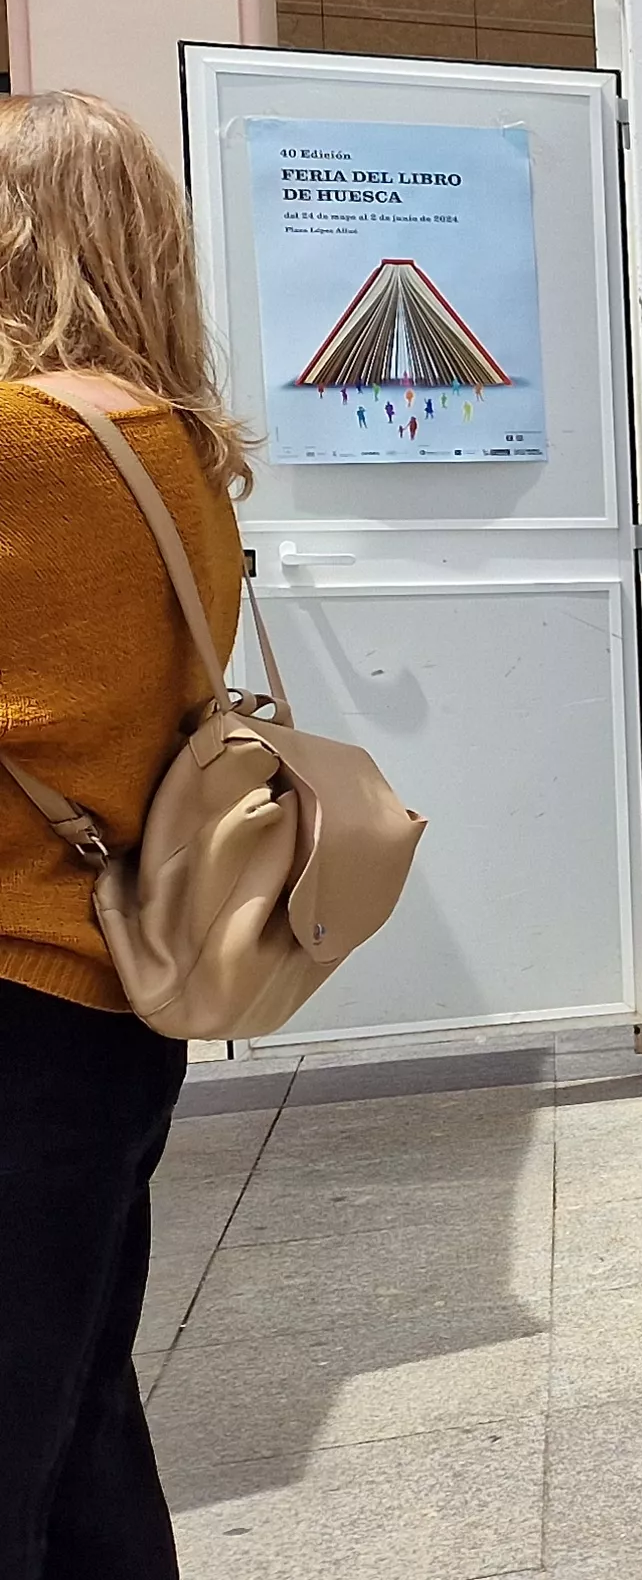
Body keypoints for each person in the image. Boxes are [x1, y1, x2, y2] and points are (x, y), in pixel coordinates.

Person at [0, 91, 252, 1580]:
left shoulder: (25, 442)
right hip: (114, 995)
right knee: (78, 1398)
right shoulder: (181, 449)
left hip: (17, 981)